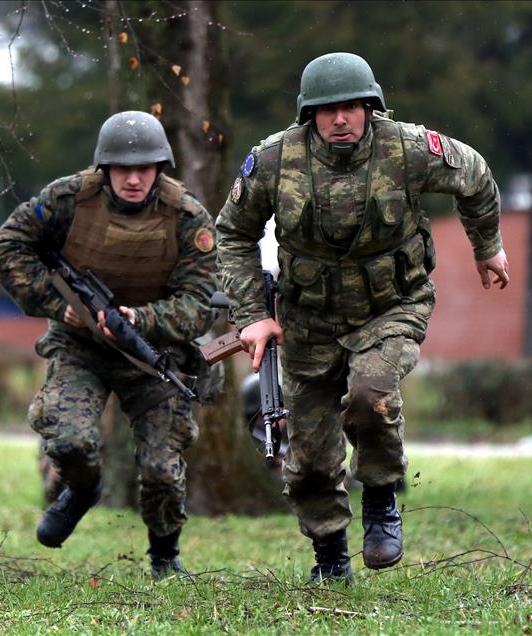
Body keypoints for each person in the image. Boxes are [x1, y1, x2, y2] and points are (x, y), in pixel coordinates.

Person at [215, 52, 509, 584]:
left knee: (371, 393)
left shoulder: (410, 148)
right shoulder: (275, 160)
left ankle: (380, 499)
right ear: (310, 115)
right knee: (308, 460)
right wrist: (252, 316)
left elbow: (476, 176)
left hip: (391, 306)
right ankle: (329, 561)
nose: (340, 119)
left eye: (351, 106)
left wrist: (487, 247)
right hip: (307, 322)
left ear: (370, 107)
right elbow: (232, 232)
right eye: (327, 110)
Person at [0, 111, 218, 579]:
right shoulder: (69, 199)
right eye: (121, 168)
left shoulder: (187, 216)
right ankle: (83, 488)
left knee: (161, 467)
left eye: (145, 168)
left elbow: (200, 304)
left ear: (161, 167)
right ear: (103, 169)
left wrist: (144, 319)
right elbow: (7, 246)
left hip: (152, 355)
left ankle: (165, 556)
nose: (133, 178)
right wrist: (59, 303)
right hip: (80, 347)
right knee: (70, 440)